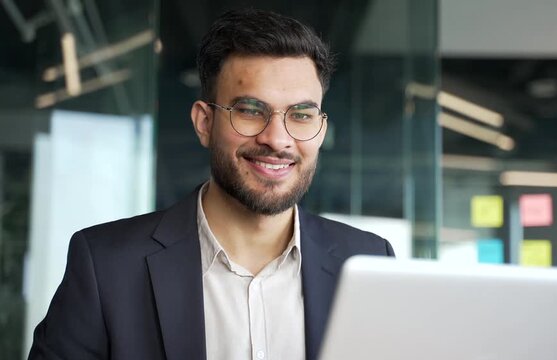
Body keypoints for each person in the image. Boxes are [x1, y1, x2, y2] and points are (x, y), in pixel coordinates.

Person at [28, 8, 394, 360]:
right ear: (204, 123)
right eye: (251, 110)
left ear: (321, 130)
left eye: (301, 115)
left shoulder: (369, 262)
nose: (278, 139)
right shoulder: (106, 265)